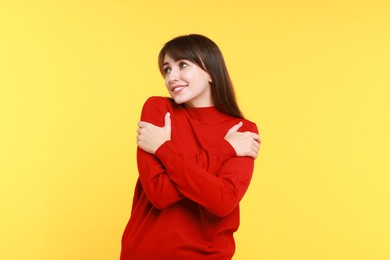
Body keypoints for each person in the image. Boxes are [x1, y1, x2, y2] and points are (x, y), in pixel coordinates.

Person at [120, 34, 261, 260]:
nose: (171, 77)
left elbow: (222, 201)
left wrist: (163, 149)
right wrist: (224, 149)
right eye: (167, 69)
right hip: (144, 253)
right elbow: (160, 194)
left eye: (182, 65)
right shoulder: (158, 109)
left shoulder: (241, 130)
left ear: (211, 72)